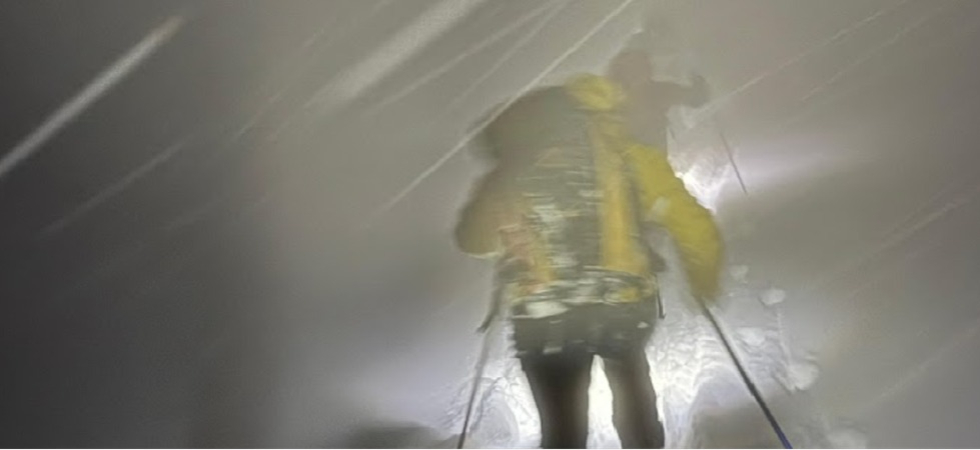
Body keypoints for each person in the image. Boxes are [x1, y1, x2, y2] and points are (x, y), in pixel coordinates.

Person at [453, 48, 722, 449]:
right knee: (633, 400)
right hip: (620, 306)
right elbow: (692, 221)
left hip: (544, 318)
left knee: (562, 430)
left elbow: (472, 240)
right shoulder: (624, 150)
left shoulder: (512, 164)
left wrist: (504, 199)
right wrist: (703, 281)